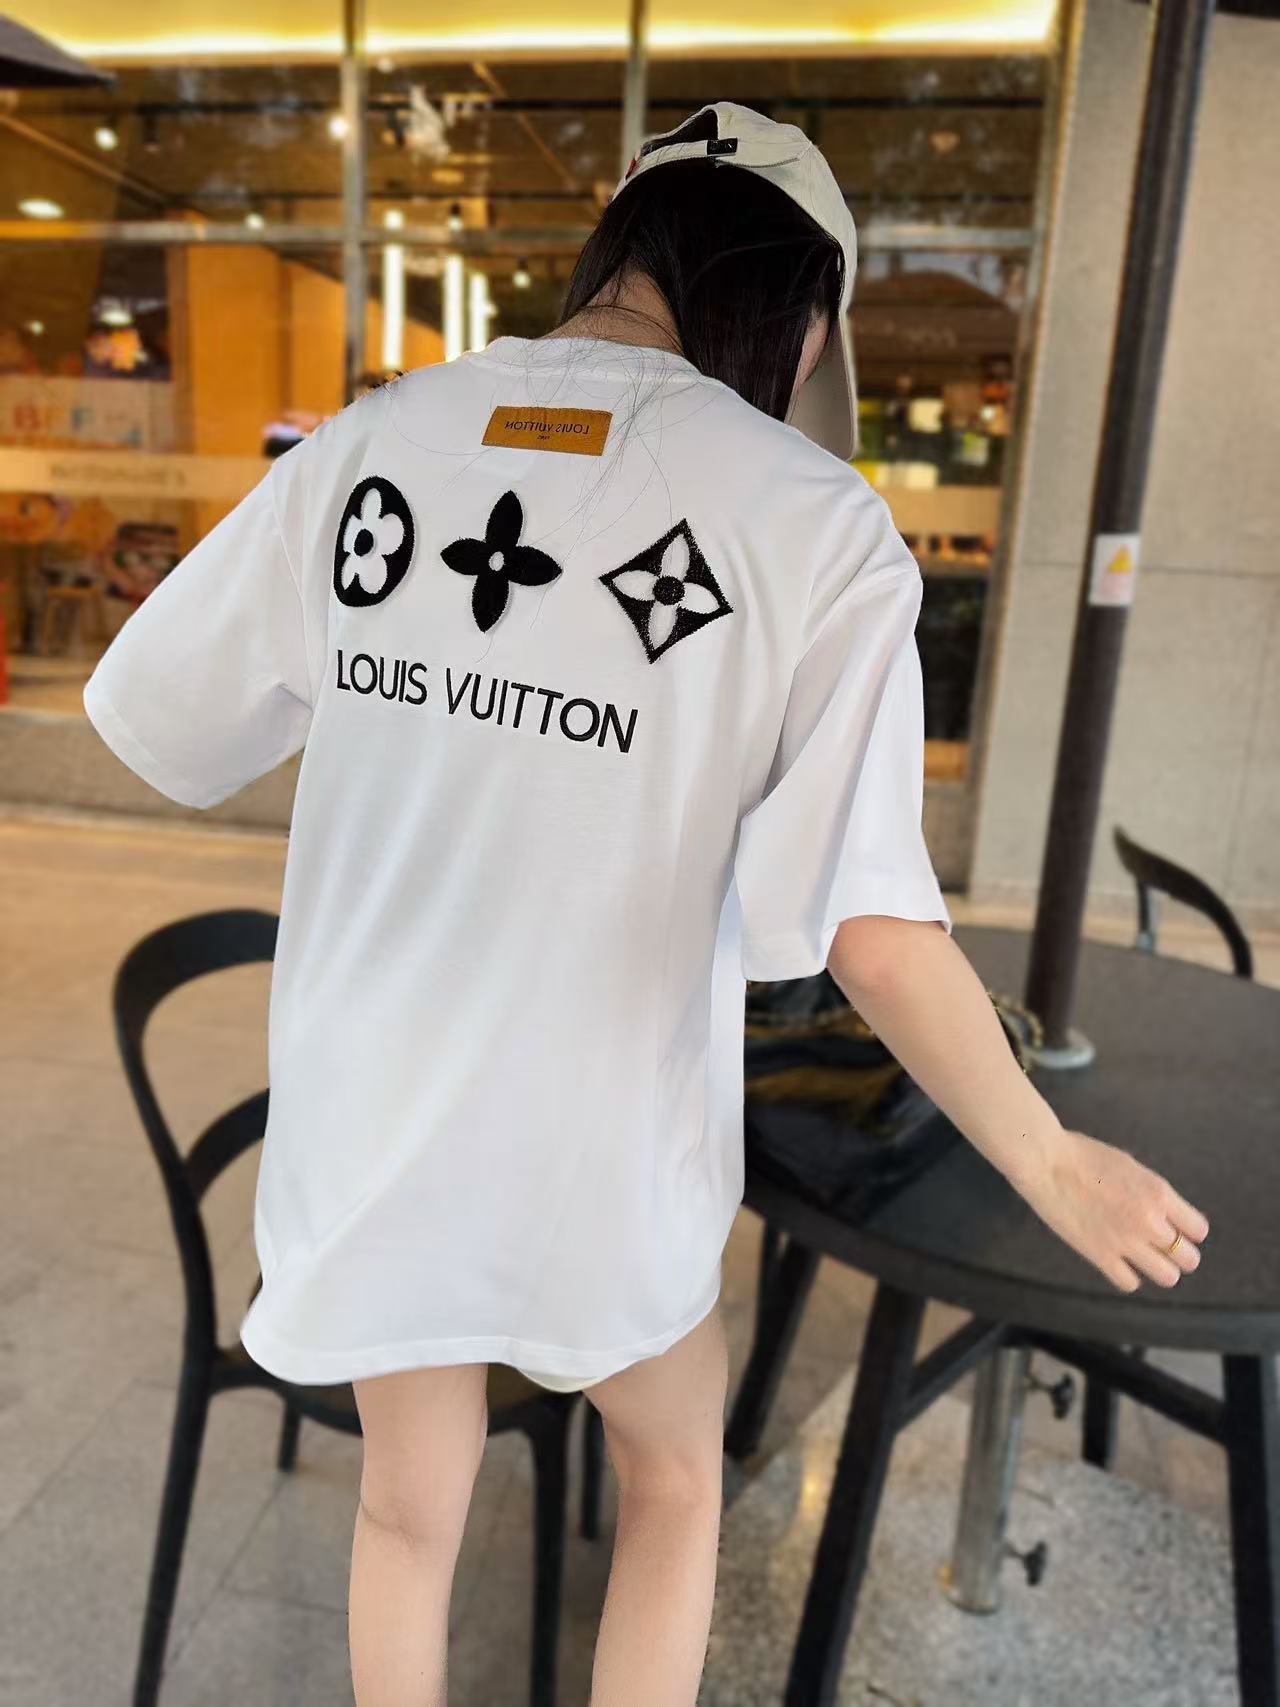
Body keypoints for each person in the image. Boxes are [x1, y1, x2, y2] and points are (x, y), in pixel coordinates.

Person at [80, 101, 1209, 1707]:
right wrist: (1049, 1157)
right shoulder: (813, 526)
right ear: (800, 314)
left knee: (406, 1509)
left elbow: (161, 715)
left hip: (372, 1101)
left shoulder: (374, 441)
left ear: (621, 246)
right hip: (597, 1135)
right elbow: (870, 930)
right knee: (672, 1482)